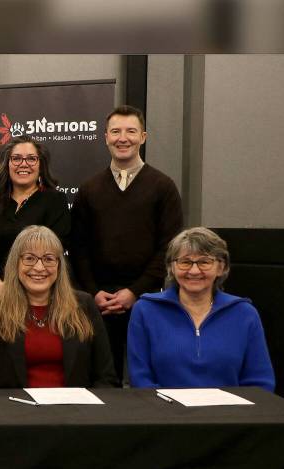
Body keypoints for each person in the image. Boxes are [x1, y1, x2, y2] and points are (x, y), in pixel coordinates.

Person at [70, 105, 184, 380]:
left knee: (144, 379)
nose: (123, 138)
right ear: (105, 137)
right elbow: (78, 246)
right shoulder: (89, 189)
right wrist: (93, 292)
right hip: (98, 302)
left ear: (143, 137)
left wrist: (134, 292)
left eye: (131, 131)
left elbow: (169, 248)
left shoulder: (163, 186)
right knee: (101, 380)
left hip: (146, 300)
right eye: (116, 131)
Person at [0, 225, 119, 389]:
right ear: (15, 264)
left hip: (75, 411)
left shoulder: (84, 305)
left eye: (48, 259)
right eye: (29, 258)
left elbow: (106, 378)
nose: (39, 268)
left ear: (59, 266)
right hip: (15, 411)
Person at [127, 227, 275, 392]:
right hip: (165, 414)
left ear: (222, 267)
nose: (194, 270)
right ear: (171, 267)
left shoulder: (245, 313)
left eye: (204, 262)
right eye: (185, 262)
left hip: (230, 415)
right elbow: (140, 379)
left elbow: (261, 383)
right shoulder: (145, 310)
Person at [0, 136, 71, 305]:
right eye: (16, 158)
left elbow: (55, 249)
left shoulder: (54, 200)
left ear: (41, 165)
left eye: (31, 158)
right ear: (7, 164)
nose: (24, 164)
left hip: (39, 297)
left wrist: (18, 286)